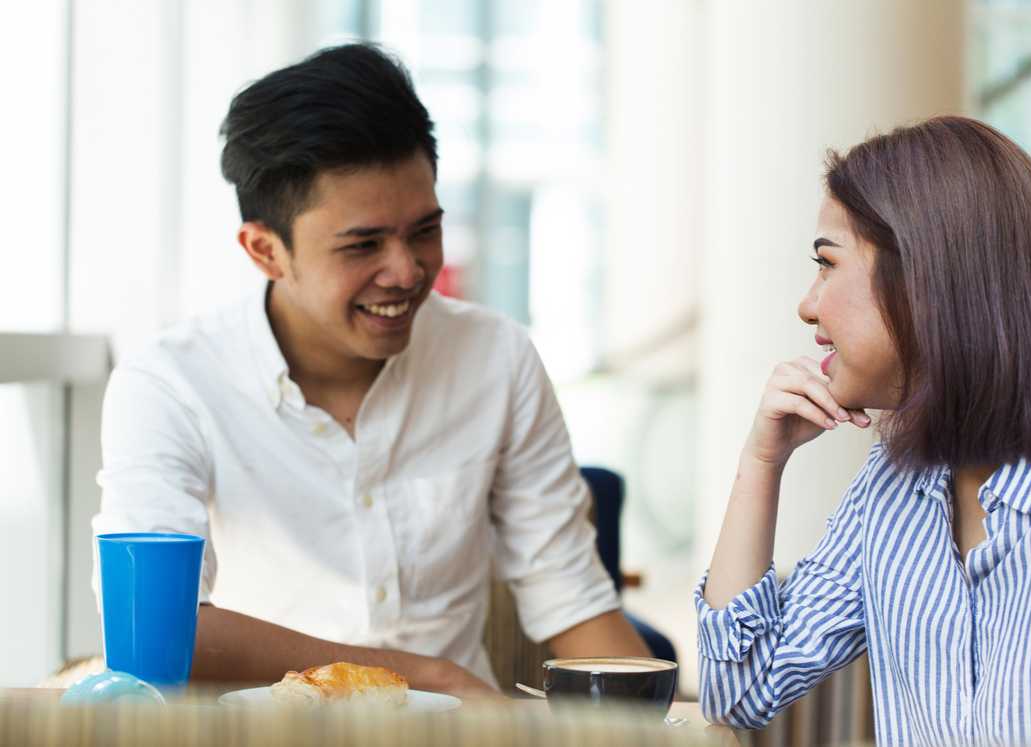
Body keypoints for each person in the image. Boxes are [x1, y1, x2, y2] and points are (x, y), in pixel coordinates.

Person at [92, 42, 649, 697]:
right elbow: (153, 628)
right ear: (265, 250)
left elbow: (573, 599)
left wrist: (672, 726)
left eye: (425, 231)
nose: (408, 271)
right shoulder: (170, 383)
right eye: (363, 245)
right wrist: (423, 674)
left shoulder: (496, 357)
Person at [697, 116, 1031, 745]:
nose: (807, 305)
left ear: (921, 276)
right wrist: (761, 464)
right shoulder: (890, 487)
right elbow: (737, 691)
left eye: (827, 264)